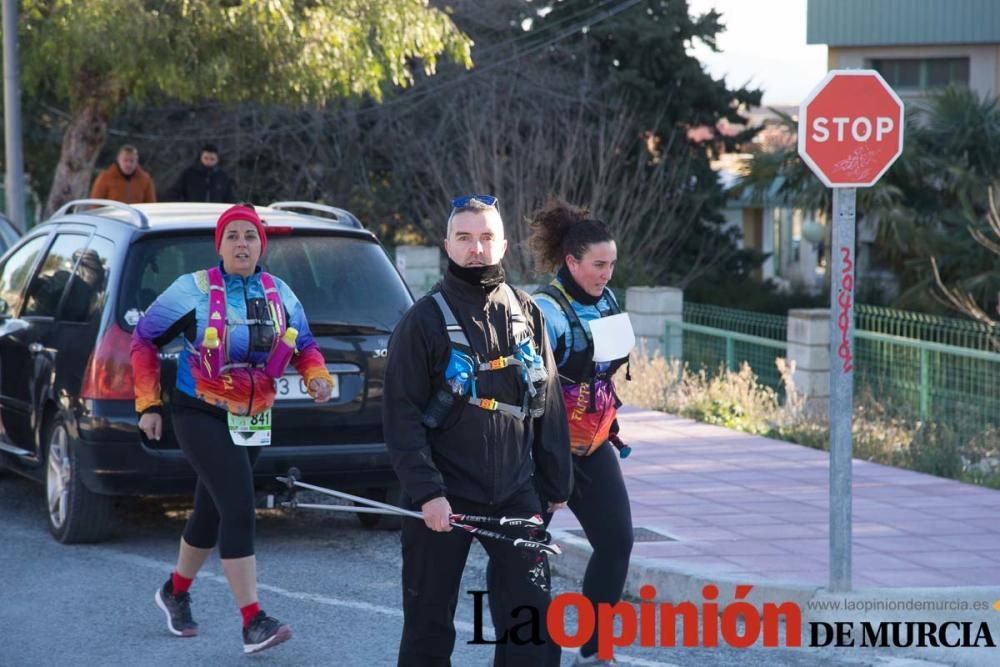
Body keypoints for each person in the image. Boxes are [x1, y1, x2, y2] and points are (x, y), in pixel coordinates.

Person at [130, 204, 334, 654]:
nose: (242, 243)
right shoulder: (192, 290)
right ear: (219, 245)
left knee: (213, 509)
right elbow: (144, 339)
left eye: (250, 236)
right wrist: (148, 404)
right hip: (198, 411)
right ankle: (253, 621)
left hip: (253, 417)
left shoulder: (280, 291)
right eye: (233, 236)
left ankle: (175, 591)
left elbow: (305, 343)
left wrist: (316, 376)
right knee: (240, 503)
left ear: (262, 245)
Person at [383, 194, 572, 667]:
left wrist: (555, 484)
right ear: (447, 244)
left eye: (486, 237)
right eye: (465, 237)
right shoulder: (422, 321)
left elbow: (547, 401)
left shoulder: (528, 313)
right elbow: (401, 417)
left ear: (503, 245)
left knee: (532, 624)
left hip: (514, 492)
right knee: (428, 623)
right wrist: (427, 493)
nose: (476, 248)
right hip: (442, 494)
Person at [528, 199, 634, 667]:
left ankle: (594, 653)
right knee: (523, 554)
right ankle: (532, 652)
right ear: (571, 262)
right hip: (544, 452)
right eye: (598, 264)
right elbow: (529, 395)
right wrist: (548, 471)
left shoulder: (608, 300)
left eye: (611, 264)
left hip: (591, 447)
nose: (607, 273)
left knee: (616, 543)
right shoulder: (544, 312)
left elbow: (602, 375)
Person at [168, 143, 236, 203]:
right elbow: (173, 193)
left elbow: (230, 198)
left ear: (217, 160)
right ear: (200, 158)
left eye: (212, 159)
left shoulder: (223, 177)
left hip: (216, 213)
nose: (208, 161)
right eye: (206, 158)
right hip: (194, 213)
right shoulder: (189, 174)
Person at [90, 144, 157, 204]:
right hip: (112, 217)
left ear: (137, 161)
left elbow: (151, 205)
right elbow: (96, 204)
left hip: (135, 217)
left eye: (132, 161)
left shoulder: (145, 179)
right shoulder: (105, 178)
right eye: (125, 160)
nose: (128, 164)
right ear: (118, 160)